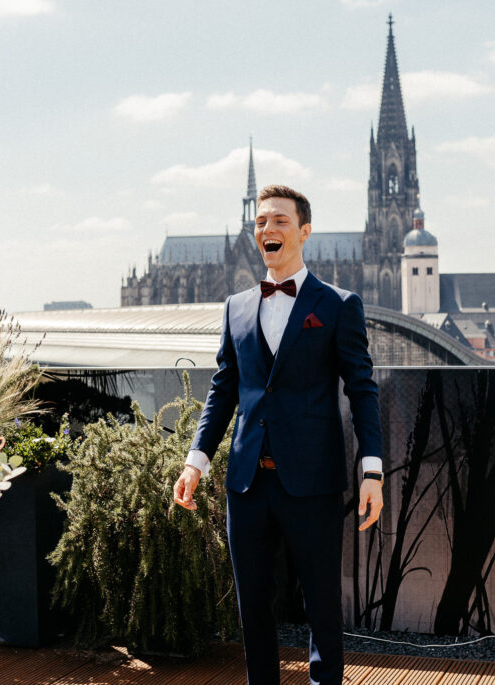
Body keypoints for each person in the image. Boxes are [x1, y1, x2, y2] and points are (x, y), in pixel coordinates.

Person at [174, 185, 384, 685]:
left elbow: (363, 389)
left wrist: (372, 470)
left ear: (304, 231)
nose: (267, 229)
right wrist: (195, 461)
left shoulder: (337, 304)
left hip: (312, 481)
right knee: (252, 607)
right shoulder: (236, 307)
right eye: (261, 222)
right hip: (245, 482)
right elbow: (223, 389)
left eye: (280, 221)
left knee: (322, 608)